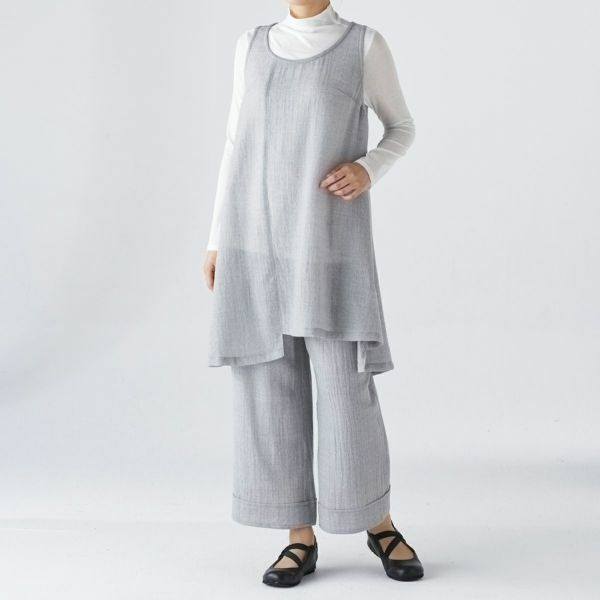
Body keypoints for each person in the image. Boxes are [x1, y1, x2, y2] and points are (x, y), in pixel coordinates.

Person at [204, 0, 423, 587]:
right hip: (254, 242)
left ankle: (377, 521)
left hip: (327, 241)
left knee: (346, 387)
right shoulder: (251, 45)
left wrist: (369, 167)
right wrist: (217, 239)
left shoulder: (362, 45)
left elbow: (402, 127)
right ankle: (297, 536)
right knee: (268, 387)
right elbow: (235, 143)